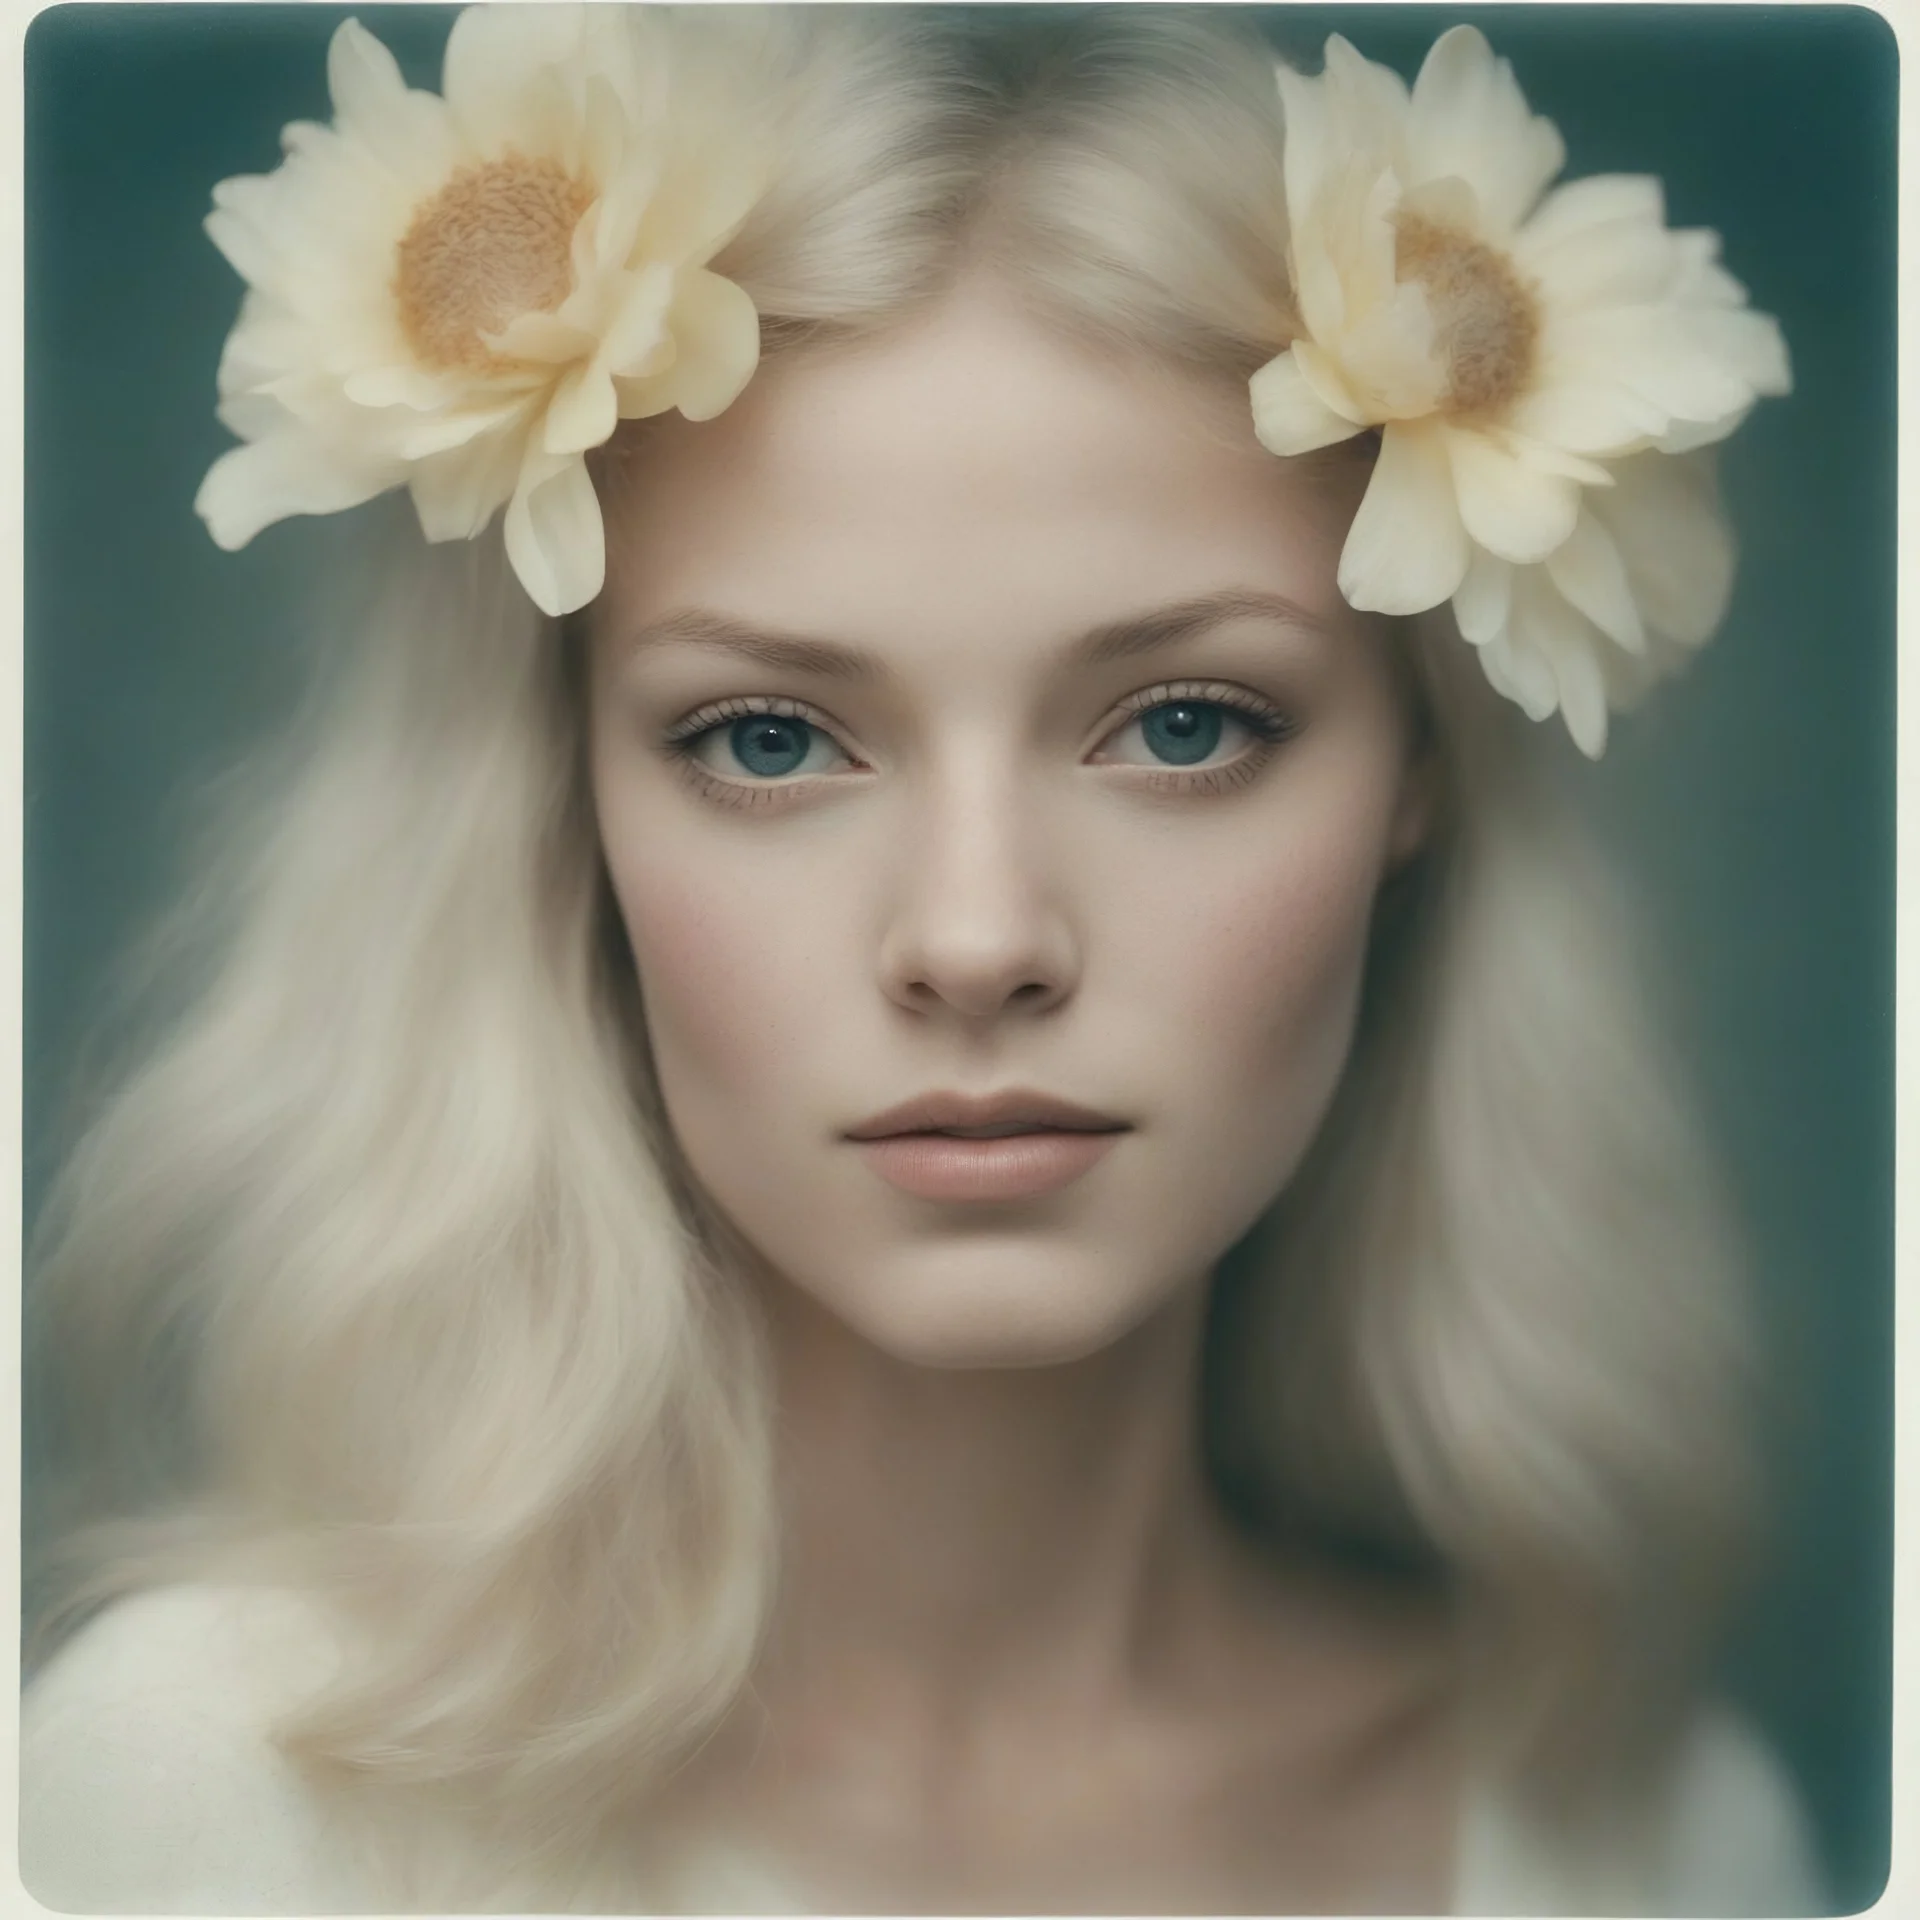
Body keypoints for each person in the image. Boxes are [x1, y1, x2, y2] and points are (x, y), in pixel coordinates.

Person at [19, 7, 1825, 1913]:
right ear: (561, 815)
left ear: (1419, 779)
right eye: (770, 741)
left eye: (1187, 725)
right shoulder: (199, 1811)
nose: (976, 941)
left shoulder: (1668, 1846)